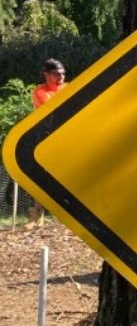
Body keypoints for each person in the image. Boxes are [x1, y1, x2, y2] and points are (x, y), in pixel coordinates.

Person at [26, 58, 68, 225]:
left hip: (68, 137)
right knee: (43, 177)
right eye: (56, 73)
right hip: (47, 139)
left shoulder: (69, 87)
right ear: (46, 74)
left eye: (63, 73)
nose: (61, 76)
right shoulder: (40, 92)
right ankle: (37, 214)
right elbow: (52, 111)